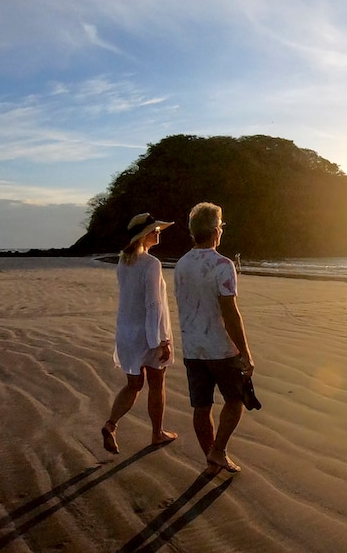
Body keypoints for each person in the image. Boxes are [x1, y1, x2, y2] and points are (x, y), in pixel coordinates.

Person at [174, 202, 260, 474]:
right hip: (221, 348)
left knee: (202, 405)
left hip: (192, 347)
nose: (221, 230)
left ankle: (211, 458)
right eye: (221, 226)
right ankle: (218, 450)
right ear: (214, 231)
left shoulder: (181, 264)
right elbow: (230, 313)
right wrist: (245, 351)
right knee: (235, 401)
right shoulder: (222, 265)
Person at [101, 213, 179, 454]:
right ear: (143, 235)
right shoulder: (151, 263)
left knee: (133, 385)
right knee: (157, 383)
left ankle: (111, 424)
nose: (158, 233)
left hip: (126, 332)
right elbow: (153, 304)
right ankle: (157, 433)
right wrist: (163, 338)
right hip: (147, 333)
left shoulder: (124, 261)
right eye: (154, 230)